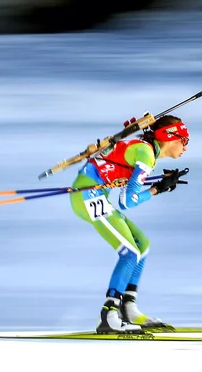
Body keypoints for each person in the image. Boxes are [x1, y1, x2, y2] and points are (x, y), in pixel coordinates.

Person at [69, 115, 190, 334]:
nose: (185, 147)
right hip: (88, 195)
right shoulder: (146, 155)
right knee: (130, 252)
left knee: (141, 244)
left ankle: (128, 308)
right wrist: (158, 189)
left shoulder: (145, 150)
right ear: (169, 137)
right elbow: (127, 202)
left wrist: (160, 185)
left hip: (94, 193)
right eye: (184, 140)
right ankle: (108, 314)